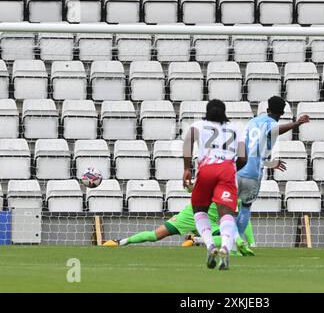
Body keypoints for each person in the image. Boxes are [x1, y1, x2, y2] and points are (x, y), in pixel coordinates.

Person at [183, 99, 247, 270]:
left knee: (199, 210)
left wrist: (186, 168)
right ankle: (225, 247)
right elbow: (243, 158)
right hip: (227, 170)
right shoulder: (236, 129)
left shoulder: (198, 125)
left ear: (207, 111)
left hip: (206, 169)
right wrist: (232, 168)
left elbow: (188, 141)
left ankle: (210, 245)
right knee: (227, 213)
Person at [235, 96, 309, 238]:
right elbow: (273, 131)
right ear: (282, 113)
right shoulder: (271, 124)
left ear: (267, 109)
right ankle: (235, 240)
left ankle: (223, 238)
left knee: (229, 207)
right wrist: (296, 123)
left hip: (236, 170)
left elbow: (250, 151)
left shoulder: (252, 122)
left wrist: (269, 163)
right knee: (245, 206)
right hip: (252, 174)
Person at [102, 201, 255, 257]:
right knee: (155, 236)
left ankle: (195, 239)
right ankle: (121, 241)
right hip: (189, 216)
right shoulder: (219, 187)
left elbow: (244, 218)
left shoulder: (238, 195)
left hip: (211, 223)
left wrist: (252, 242)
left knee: (226, 237)